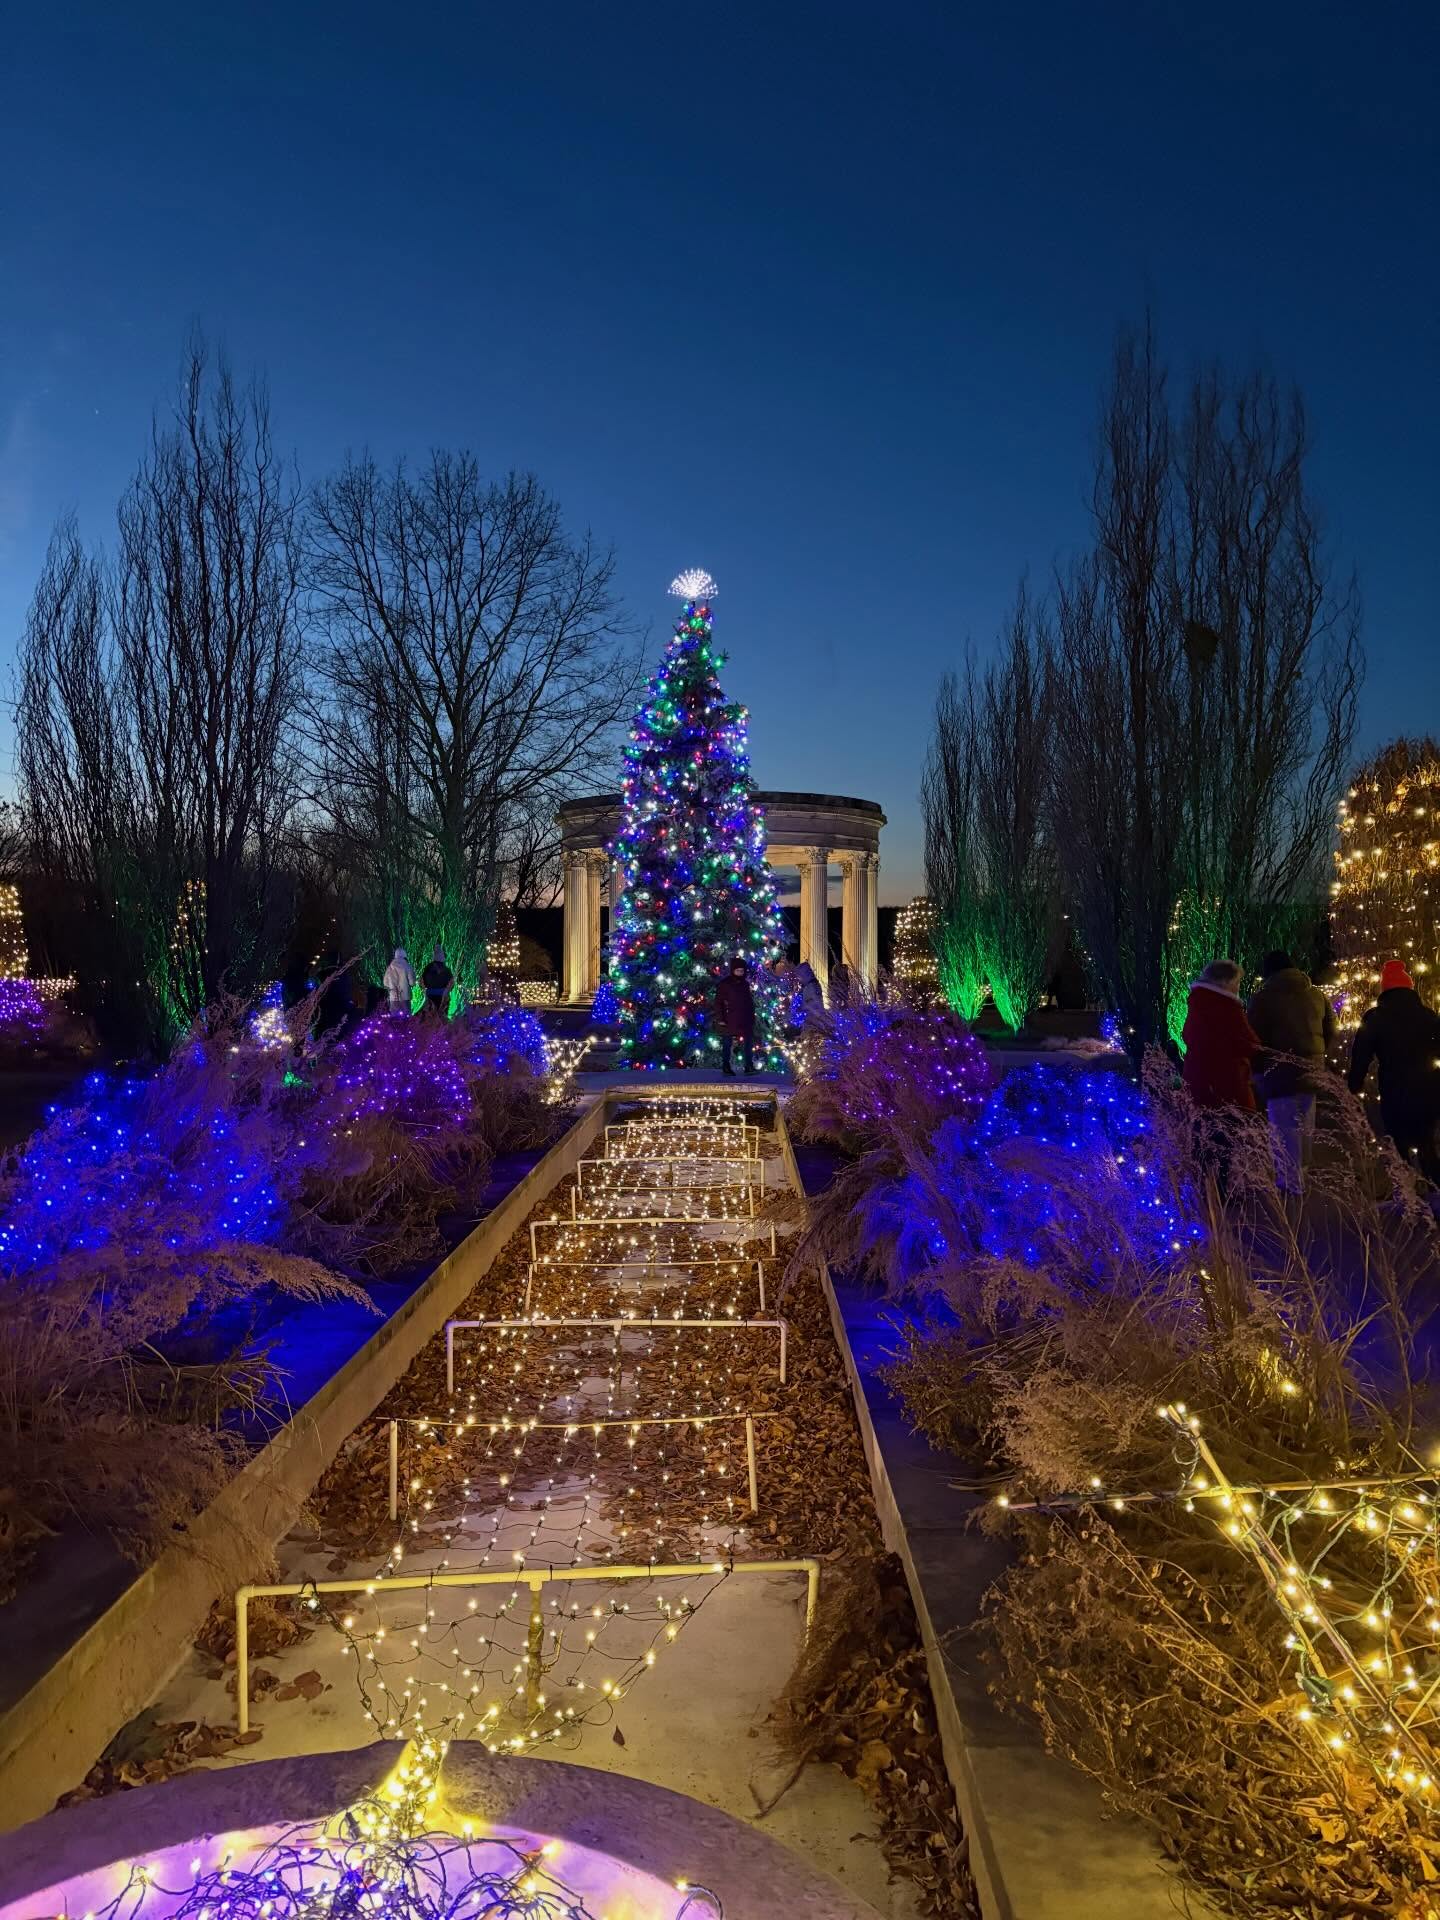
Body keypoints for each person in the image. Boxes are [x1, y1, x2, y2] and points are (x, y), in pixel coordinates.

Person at [1247, 949, 1336, 1196]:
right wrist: (1316, 1055)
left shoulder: (1263, 999)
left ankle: (1290, 1183)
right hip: (1312, 1070)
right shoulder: (1316, 994)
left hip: (1278, 1073)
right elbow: (1331, 1029)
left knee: (1284, 1127)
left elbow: (1255, 1039)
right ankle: (1303, 1174)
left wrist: (1257, 1069)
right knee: (1306, 1124)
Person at [1347, 960, 1440, 1178]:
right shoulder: (1428, 1014)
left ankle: (1409, 1191)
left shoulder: (1375, 1017)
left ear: (1384, 988)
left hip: (1395, 1089)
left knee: (1398, 1142)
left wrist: (1354, 1085)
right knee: (1426, 1142)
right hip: (1430, 1087)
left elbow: (1361, 1055)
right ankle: (1434, 1190)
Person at [1181, 960, 1260, 1112]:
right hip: (1229, 1085)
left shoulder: (1198, 1002)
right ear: (1226, 981)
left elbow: (1190, 1036)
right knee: (1236, 1131)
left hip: (1198, 1082)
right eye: (1237, 982)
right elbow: (1250, 1043)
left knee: (1206, 1130)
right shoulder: (1228, 1006)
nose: (1238, 987)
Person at [715, 957, 756, 1076]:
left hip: (744, 1019)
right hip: (729, 1019)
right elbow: (718, 1002)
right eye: (737, 971)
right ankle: (726, 1066)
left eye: (742, 971)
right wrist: (721, 1019)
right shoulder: (725, 984)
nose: (740, 973)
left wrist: (751, 1017)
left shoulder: (745, 984)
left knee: (748, 1042)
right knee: (727, 1043)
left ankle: (749, 1066)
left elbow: (749, 1002)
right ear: (733, 970)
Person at [421, 945, 454, 1020]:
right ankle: (442, 1028)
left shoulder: (428, 968)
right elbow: (451, 983)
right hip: (442, 994)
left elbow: (423, 980)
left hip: (430, 994)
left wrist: (425, 989)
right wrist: (447, 991)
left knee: (431, 1014)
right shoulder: (446, 969)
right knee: (442, 1014)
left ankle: (431, 1028)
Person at [383, 946, 416, 1014]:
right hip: (405, 996)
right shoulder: (408, 966)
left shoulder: (390, 968)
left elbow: (385, 983)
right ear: (405, 955)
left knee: (394, 1019)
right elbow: (412, 983)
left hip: (393, 997)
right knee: (406, 1019)